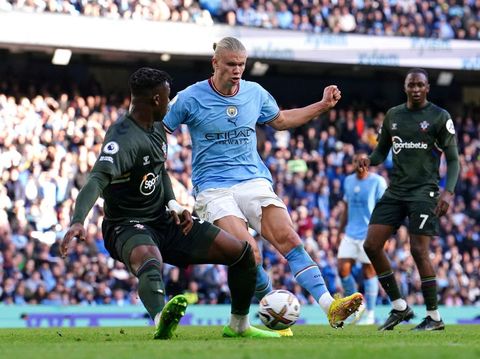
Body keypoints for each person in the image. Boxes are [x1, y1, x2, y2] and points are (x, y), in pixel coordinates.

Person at [60, 67, 280, 339]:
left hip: (165, 220)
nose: (169, 102)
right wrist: (78, 220)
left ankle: (239, 325)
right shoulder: (123, 137)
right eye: (166, 97)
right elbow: (96, 179)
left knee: (242, 252)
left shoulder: (155, 128)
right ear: (155, 99)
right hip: (127, 225)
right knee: (150, 260)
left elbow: (159, 171)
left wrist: (174, 205)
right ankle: (161, 318)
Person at [163, 36, 363, 330]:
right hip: (213, 188)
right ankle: (273, 307)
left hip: (253, 181)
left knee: (290, 240)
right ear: (215, 62)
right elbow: (159, 130)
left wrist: (321, 106)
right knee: (248, 253)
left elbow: (280, 120)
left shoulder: (254, 93)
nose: (237, 70)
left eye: (241, 65)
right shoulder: (190, 97)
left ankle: (329, 305)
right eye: (231, 64)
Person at [359, 68, 460, 331]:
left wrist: (447, 192)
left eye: (420, 85)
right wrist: (368, 160)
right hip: (396, 191)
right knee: (371, 245)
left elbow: (453, 159)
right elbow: (381, 151)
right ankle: (400, 307)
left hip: (423, 193)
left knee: (418, 250)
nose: (415, 89)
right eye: (411, 85)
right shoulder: (393, 115)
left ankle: (434, 318)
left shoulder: (439, 116)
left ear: (427, 88)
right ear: (405, 87)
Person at [337, 151, 387, 325]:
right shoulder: (348, 181)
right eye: (355, 161)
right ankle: (358, 307)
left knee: (368, 271)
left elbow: (384, 209)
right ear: (352, 163)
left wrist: (384, 234)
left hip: (370, 233)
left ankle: (371, 313)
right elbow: (346, 208)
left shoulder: (378, 182)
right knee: (342, 268)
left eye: (362, 161)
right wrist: (339, 231)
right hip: (351, 233)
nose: (359, 164)